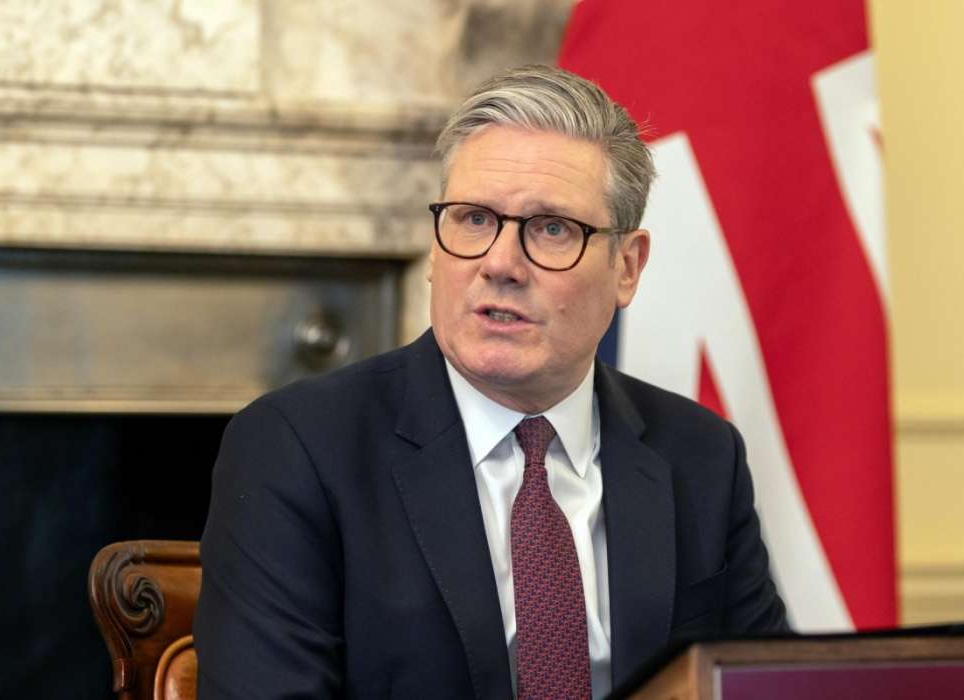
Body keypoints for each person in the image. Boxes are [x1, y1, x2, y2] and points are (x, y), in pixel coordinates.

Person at [193, 64, 788, 699]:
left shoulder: (700, 456)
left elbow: (766, 686)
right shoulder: (299, 448)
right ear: (435, 246)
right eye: (474, 220)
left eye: (552, 228)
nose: (500, 264)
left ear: (627, 267)